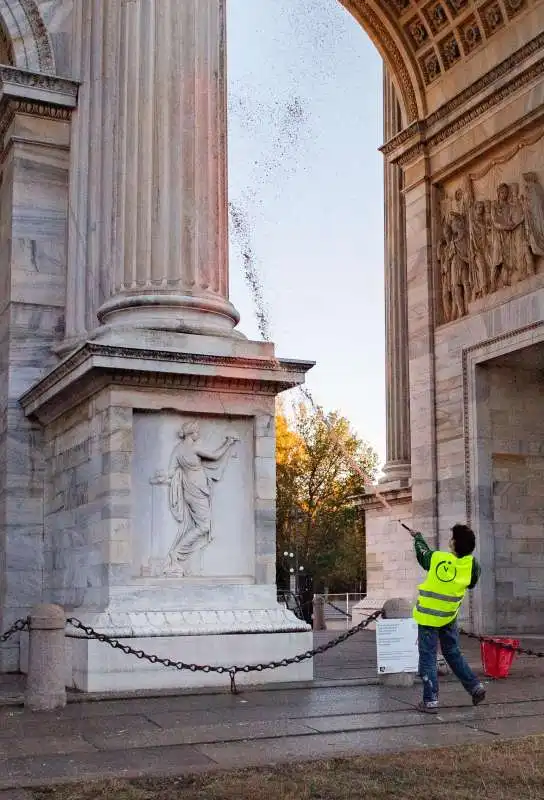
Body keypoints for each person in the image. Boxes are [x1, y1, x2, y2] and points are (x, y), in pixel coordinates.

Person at [410, 523, 486, 713]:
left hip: (428, 617)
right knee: (452, 652)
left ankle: (430, 700)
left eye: (451, 538)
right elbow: (471, 584)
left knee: (428, 656)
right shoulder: (472, 565)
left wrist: (418, 537)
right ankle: (475, 687)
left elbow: (423, 555)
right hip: (449, 616)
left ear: (453, 543)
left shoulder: (437, 558)